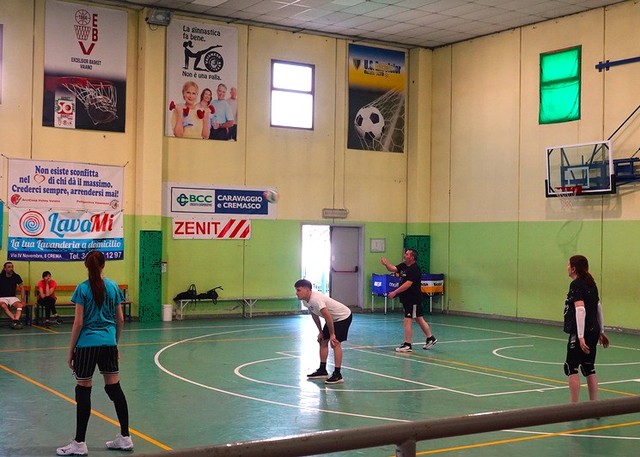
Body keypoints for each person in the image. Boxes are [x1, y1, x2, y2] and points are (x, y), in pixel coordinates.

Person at [57, 251, 133, 455]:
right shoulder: (114, 287)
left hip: (87, 344)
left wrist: (71, 350)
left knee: (83, 390)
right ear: (103, 265)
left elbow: (78, 322)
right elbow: (120, 319)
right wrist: (114, 344)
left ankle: (79, 443)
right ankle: (125, 437)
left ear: (86, 266)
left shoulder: (82, 289)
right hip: (108, 342)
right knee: (114, 388)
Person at [563, 254, 610, 403]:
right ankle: (593, 405)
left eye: (568, 265)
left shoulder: (576, 285)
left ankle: (573, 407)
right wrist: (601, 331)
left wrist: (580, 336)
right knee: (589, 367)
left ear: (573, 268)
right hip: (593, 330)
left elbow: (580, 309)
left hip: (581, 332)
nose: (567, 268)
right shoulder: (591, 284)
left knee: (572, 367)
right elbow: (599, 308)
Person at [294, 279, 352, 384]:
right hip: (332, 318)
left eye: (298, 290)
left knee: (335, 343)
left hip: (342, 316)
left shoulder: (316, 300)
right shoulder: (305, 301)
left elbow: (328, 317)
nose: (296, 293)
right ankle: (322, 370)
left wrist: (332, 335)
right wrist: (320, 332)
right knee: (323, 341)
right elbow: (314, 315)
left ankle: (338, 375)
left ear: (307, 290)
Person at [381, 249, 437, 352]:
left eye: (407, 254)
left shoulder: (415, 269)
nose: (404, 255)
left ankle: (407, 345)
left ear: (412, 257)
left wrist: (395, 292)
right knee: (419, 318)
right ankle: (430, 338)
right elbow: (393, 268)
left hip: (413, 299)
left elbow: (408, 284)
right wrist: (386, 264)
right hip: (407, 299)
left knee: (407, 320)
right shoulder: (404, 266)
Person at [0, 261, 28, 329]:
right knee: (3, 306)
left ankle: (15, 321)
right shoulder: (0, 276)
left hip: (12, 297)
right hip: (2, 298)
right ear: (5, 268)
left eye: (12, 267)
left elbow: (22, 288)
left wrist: (23, 300)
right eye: (9, 267)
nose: (11, 268)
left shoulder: (16, 276)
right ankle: (16, 321)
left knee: (20, 305)